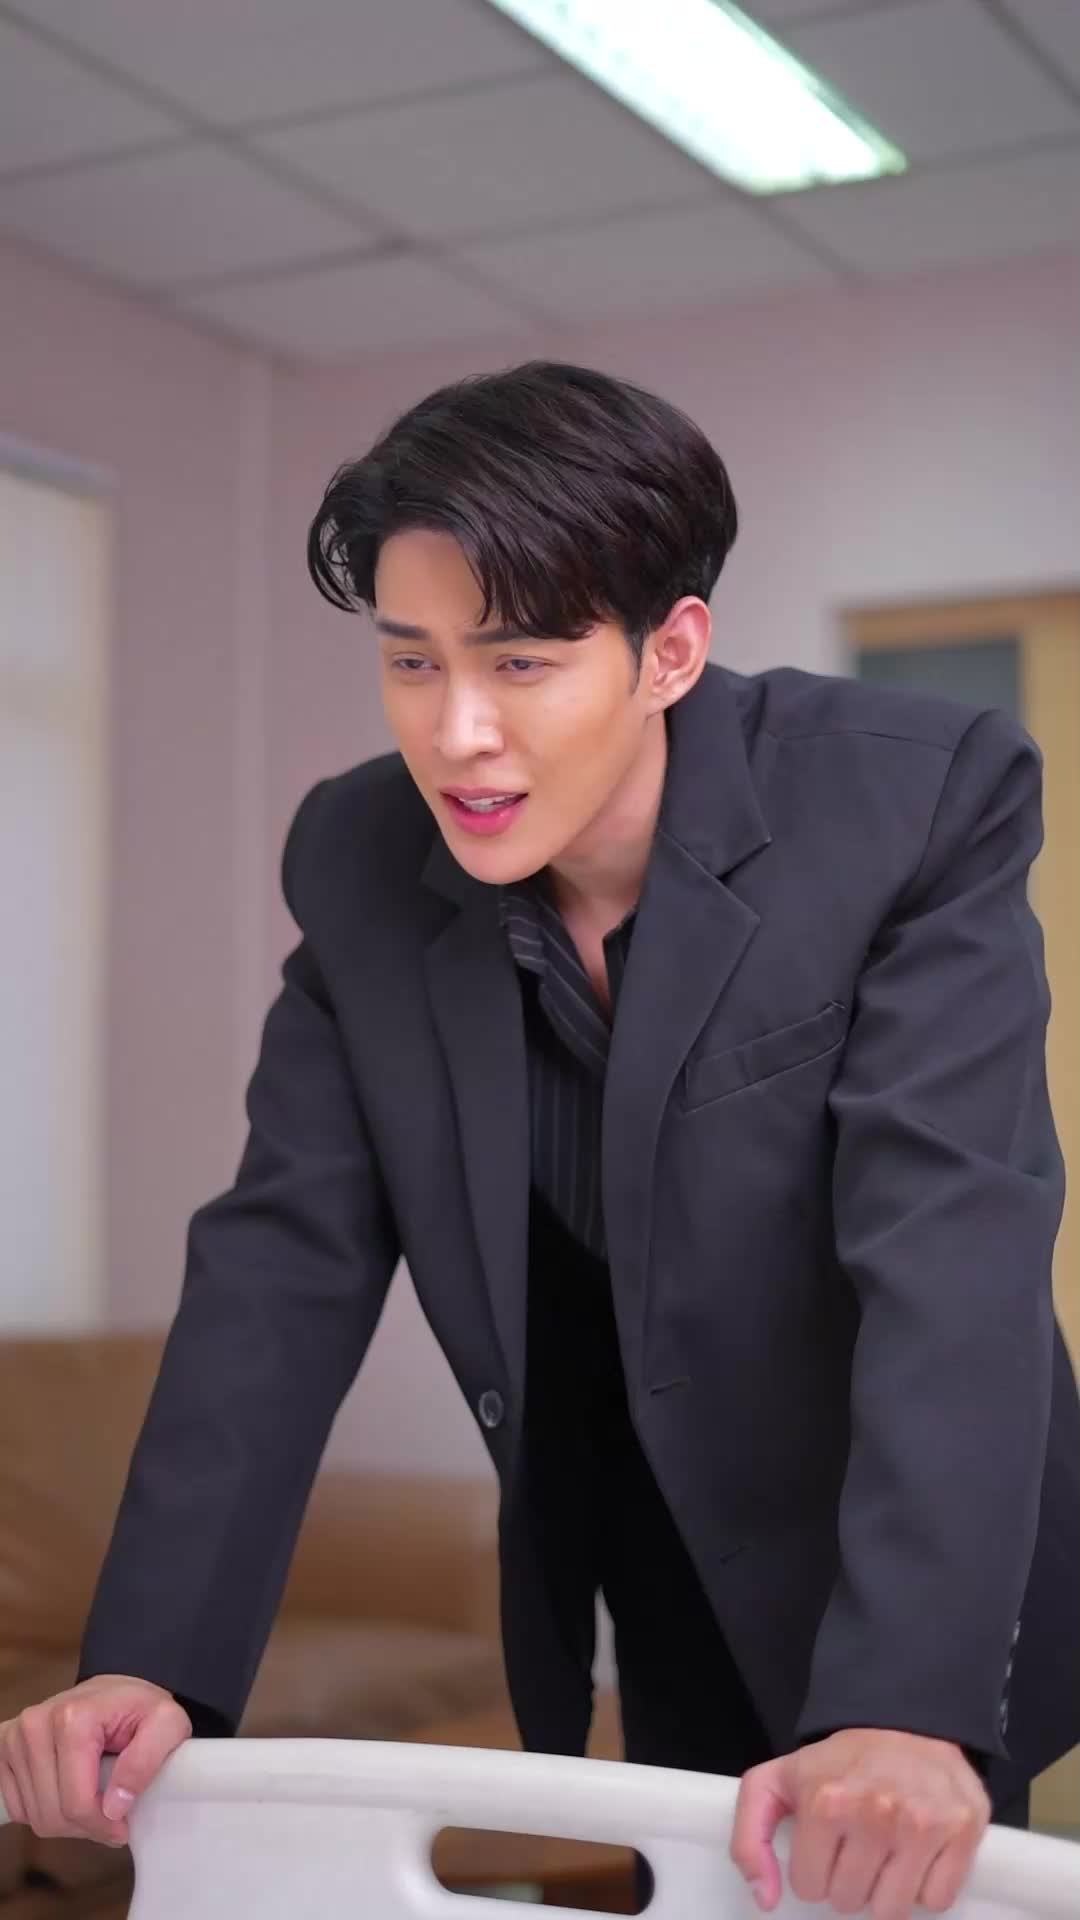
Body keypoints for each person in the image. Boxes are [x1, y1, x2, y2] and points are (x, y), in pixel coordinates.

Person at [2, 362, 1079, 1920]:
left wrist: (908, 1703)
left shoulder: (910, 803)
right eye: (411, 661)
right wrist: (150, 1662)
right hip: (637, 1527)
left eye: (520, 661)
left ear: (670, 652)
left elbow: (954, 1252)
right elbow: (278, 1268)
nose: (457, 734)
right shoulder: (360, 856)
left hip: (899, 1536)